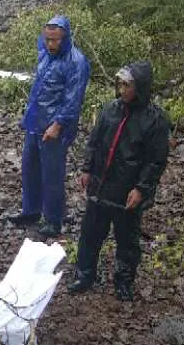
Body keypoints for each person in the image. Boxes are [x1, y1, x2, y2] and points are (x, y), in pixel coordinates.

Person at [67, 61, 171, 301]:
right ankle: (85, 275)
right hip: (101, 185)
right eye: (120, 84)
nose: (122, 90)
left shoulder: (155, 120)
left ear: (140, 88)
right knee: (90, 234)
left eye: (128, 85)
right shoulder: (110, 110)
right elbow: (94, 141)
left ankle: (124, 281)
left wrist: (141, 189)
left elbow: (156, 161)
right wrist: (86, 168)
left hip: (127, 192)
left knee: (127, 240)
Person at [9, 15, 90, 238]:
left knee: (52, 174)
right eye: (48, 39)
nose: (50, 44)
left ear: (65, 38)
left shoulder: (76, 62)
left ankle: (54, 220)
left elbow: (73, 99)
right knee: (30, 167)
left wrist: (58, 124)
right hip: (35, 122)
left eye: (55, 40)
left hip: (55, 127)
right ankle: (31, 211)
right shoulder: (46, 54)